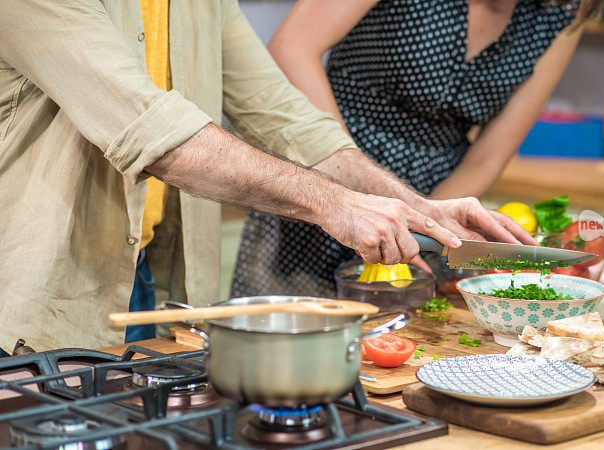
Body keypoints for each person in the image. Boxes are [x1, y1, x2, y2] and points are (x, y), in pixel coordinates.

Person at [0, 0, 535, 353]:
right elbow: (154, 132)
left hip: (150, 271)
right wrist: (334, 204)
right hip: (39, 284)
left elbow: (283, 116)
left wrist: (420, 208)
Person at [231, 0, 601, 297]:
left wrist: (423, 228)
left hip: (439, 200)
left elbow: (486, 158)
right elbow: (292, 48)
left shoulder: (563, 10)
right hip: (326, 168)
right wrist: (354, 195)